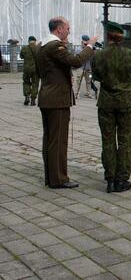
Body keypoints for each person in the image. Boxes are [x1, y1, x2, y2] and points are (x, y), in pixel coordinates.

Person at [36, 17, 96, 189]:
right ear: (59, 29)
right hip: (57, 100)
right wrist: (90, 46)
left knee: (49, 139)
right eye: (68, 28)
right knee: (58, 141)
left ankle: (51, 177)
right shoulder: (55, 46)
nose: (69, 31)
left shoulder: (42, 45)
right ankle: (59, 179)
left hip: (48, 96)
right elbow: (76, 61)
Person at [92, 21, 131, 193]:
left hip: (106, 102)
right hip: (126, 101)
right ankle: (122, 179)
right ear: (121, 38)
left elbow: (96, 76)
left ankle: (110, 179)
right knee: (125, 141)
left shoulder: (99, 55)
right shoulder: (130, 55)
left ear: (108, 37)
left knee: (108, 141)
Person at [20, 36, 39, 106]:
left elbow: (21, 56)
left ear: (28, 41)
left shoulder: (24, 48)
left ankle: (27, 96)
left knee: (26, 82)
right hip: (36, 69)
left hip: (26, 69)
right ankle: (33, 100)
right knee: (35, 83)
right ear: (35, 41)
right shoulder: (38, 48)